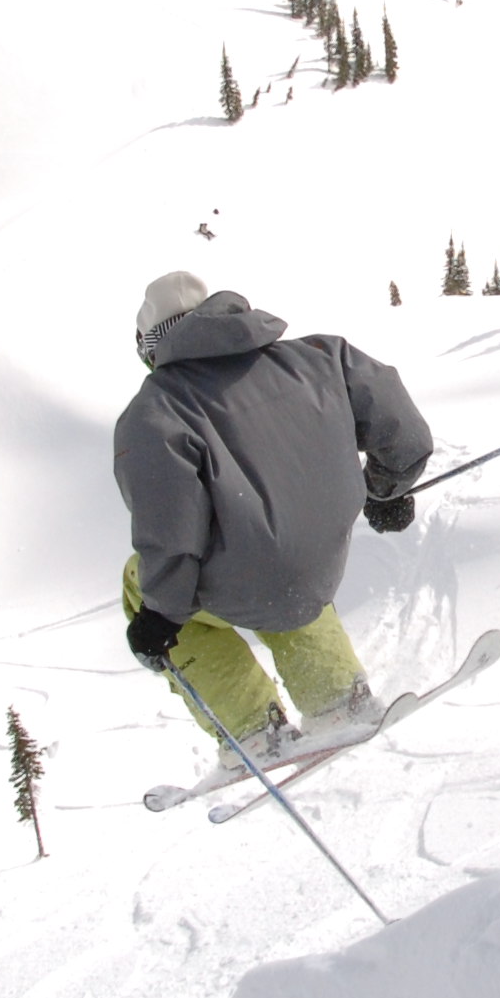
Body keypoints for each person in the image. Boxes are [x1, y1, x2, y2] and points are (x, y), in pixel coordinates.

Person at [115, 269, 431, 758]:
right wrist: (388, 489)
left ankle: (253, 729)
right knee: (281, 553)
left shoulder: (155, 412)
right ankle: (338, 698)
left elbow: (170, 530)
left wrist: (160, 618)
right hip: (321, 562)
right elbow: (401, 428)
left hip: (250, 577)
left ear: (152, 347)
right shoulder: (321, 357)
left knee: (148, 585)